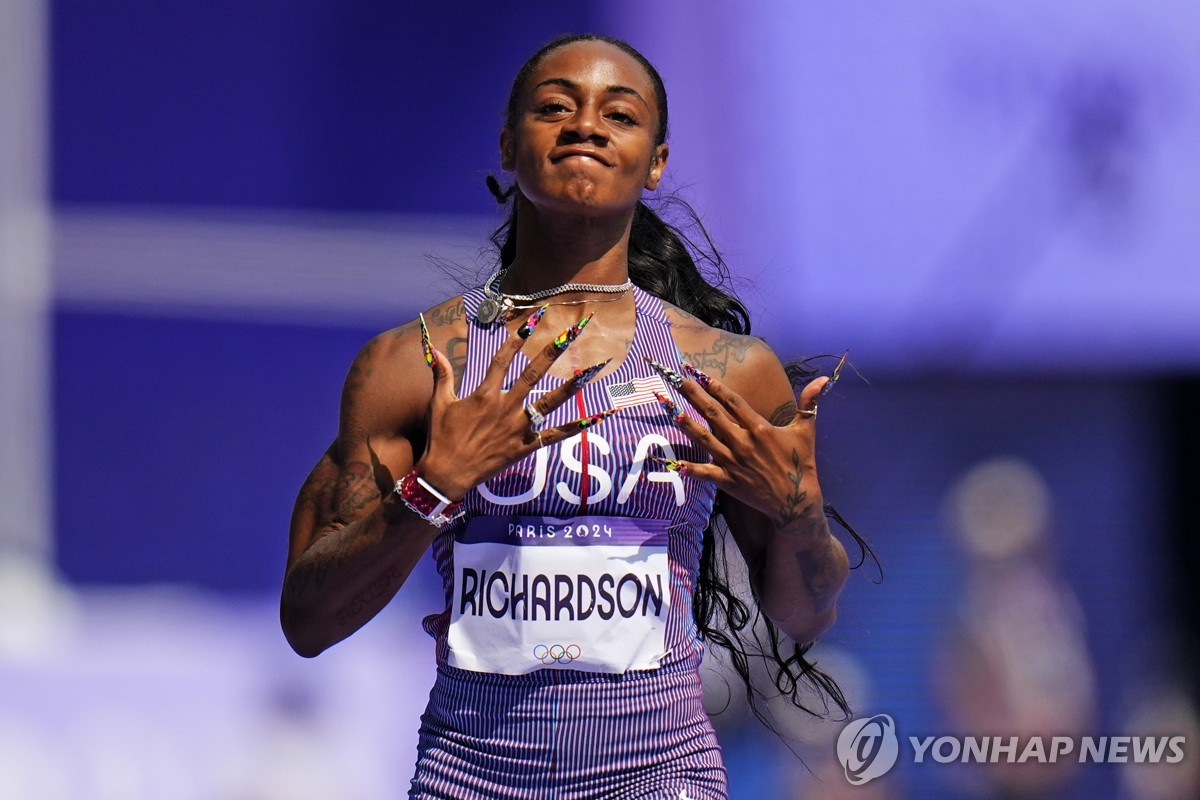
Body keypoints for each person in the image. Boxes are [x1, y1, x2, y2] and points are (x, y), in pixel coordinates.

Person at [281, 33, 854, 800]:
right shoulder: (416, 365)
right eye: (555, 108)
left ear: (655, 162)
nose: (585, 125)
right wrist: (436, 485)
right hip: (471, 777)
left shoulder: (727, 371)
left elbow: (803, 615)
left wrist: (800, 516)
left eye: (619, 115)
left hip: (660, 774)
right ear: (509, 144)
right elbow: (309, 622)